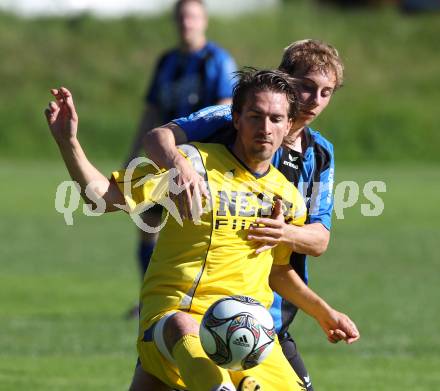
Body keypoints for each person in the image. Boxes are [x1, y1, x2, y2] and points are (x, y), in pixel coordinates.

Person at [45, 70, 359, 391]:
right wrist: (68, 142)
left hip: (251, 331)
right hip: (173, 320)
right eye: (255, 116)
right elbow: (103, 197)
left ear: (289, 125)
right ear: (236, 119)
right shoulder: (191, 165)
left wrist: (325, 313)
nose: (265, 128)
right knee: (183, 327)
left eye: (276, 119)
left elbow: (277, 271)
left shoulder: (287, 196)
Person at [142, 39, 342, 391]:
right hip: (202, 299)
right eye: (307, 87)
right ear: (285, 81)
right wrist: (180, 167)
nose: (314, 101)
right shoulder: (229, 121)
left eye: (326, 92)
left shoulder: (320, 152)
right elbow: (160, 137)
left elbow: (319, 237)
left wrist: (283, 234)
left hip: (270, 308)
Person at [124, 0, 237, 287]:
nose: (187, 22)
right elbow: (151, 110)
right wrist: (132, 153)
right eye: (183, 17)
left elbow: (226, 110)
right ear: (176, 21)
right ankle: (147, 294)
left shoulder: (218, 61)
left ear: (204, 21)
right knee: (148, 222)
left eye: (193, 17)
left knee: (191, 230)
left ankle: (192, 296)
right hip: (162, 154)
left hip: (200, 161)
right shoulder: (167, 61)